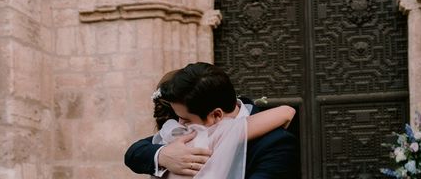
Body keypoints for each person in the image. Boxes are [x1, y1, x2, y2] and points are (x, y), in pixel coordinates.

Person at [124, 62, 300, 178]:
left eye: (185, 118)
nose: (179, 123)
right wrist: (163, 156)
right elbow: (135, 153)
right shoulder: (189, 126)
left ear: (216, 115)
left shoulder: (276, 143)